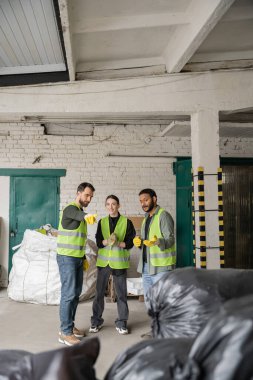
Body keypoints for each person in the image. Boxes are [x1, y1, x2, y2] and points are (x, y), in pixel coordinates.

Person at [57, 182, 97, 346]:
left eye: (91, 197)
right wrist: (86, 216)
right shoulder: (70, 209)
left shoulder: (79, 212)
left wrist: (83, 258)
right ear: (78, 193)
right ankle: (65, 333)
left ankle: (69, 326)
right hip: (67, 258)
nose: (89, 199)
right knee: (68, 294)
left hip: (77, 258)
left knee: (75, 293)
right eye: (87, 195)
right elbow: (76, 214)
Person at [89, 195, 136, 335]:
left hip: (119, 263)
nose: (111, 207)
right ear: (105, 206)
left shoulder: (127, 222)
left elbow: (130, 242)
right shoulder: (102, 222)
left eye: (114, 204)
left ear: (118, 205)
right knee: (99, 294)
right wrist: (106, 242)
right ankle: (96, 321)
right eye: (108, 204)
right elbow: (98, 241)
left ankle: (122, 323)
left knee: (121, 294)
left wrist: (118, 243)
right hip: (104, 263)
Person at [133, 188, 176, 306]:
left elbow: (171, 240)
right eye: (141, 201)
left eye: (146, 200)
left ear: (154, 199)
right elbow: (147, 243)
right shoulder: (146, 218)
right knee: (149, 301)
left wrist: (159, 242)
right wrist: (139, 243)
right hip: (147, 266)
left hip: (161, 268)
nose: (143, 203)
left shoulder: (163, 216)